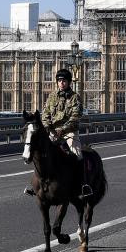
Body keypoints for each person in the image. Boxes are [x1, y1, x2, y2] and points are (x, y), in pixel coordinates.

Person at [24, 68, 85, 196]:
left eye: (64, 81)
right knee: (39, 153)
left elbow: (76, 116)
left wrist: (63, 129)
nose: (61, 83)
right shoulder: (52, 96)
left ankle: (83, 185)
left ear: (69, 82)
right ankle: (36, 185)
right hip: (52, 132)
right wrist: (47, 127)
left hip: (69, 132)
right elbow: (45, 114)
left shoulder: (75, 98)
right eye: (59, 81)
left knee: (77, 154)